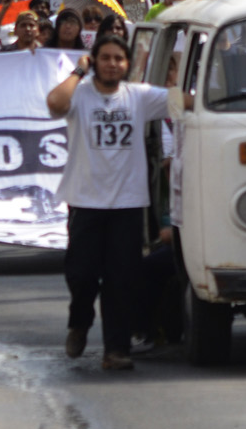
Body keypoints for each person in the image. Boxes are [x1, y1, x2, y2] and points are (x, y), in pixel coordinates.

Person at [46, 36, 169, 371]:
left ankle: (116, 348)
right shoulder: (80, 94)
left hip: (127, 203)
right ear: (94, 61)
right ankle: (80, 322)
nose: (112, 64)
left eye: (118, 58)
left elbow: (184, 101)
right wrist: (78, 71)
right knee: (82, 275)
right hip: (85, 201)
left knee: (122, 278)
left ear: (127, 64)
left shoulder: (139, 95)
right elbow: (55, 103)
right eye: (105, 58)